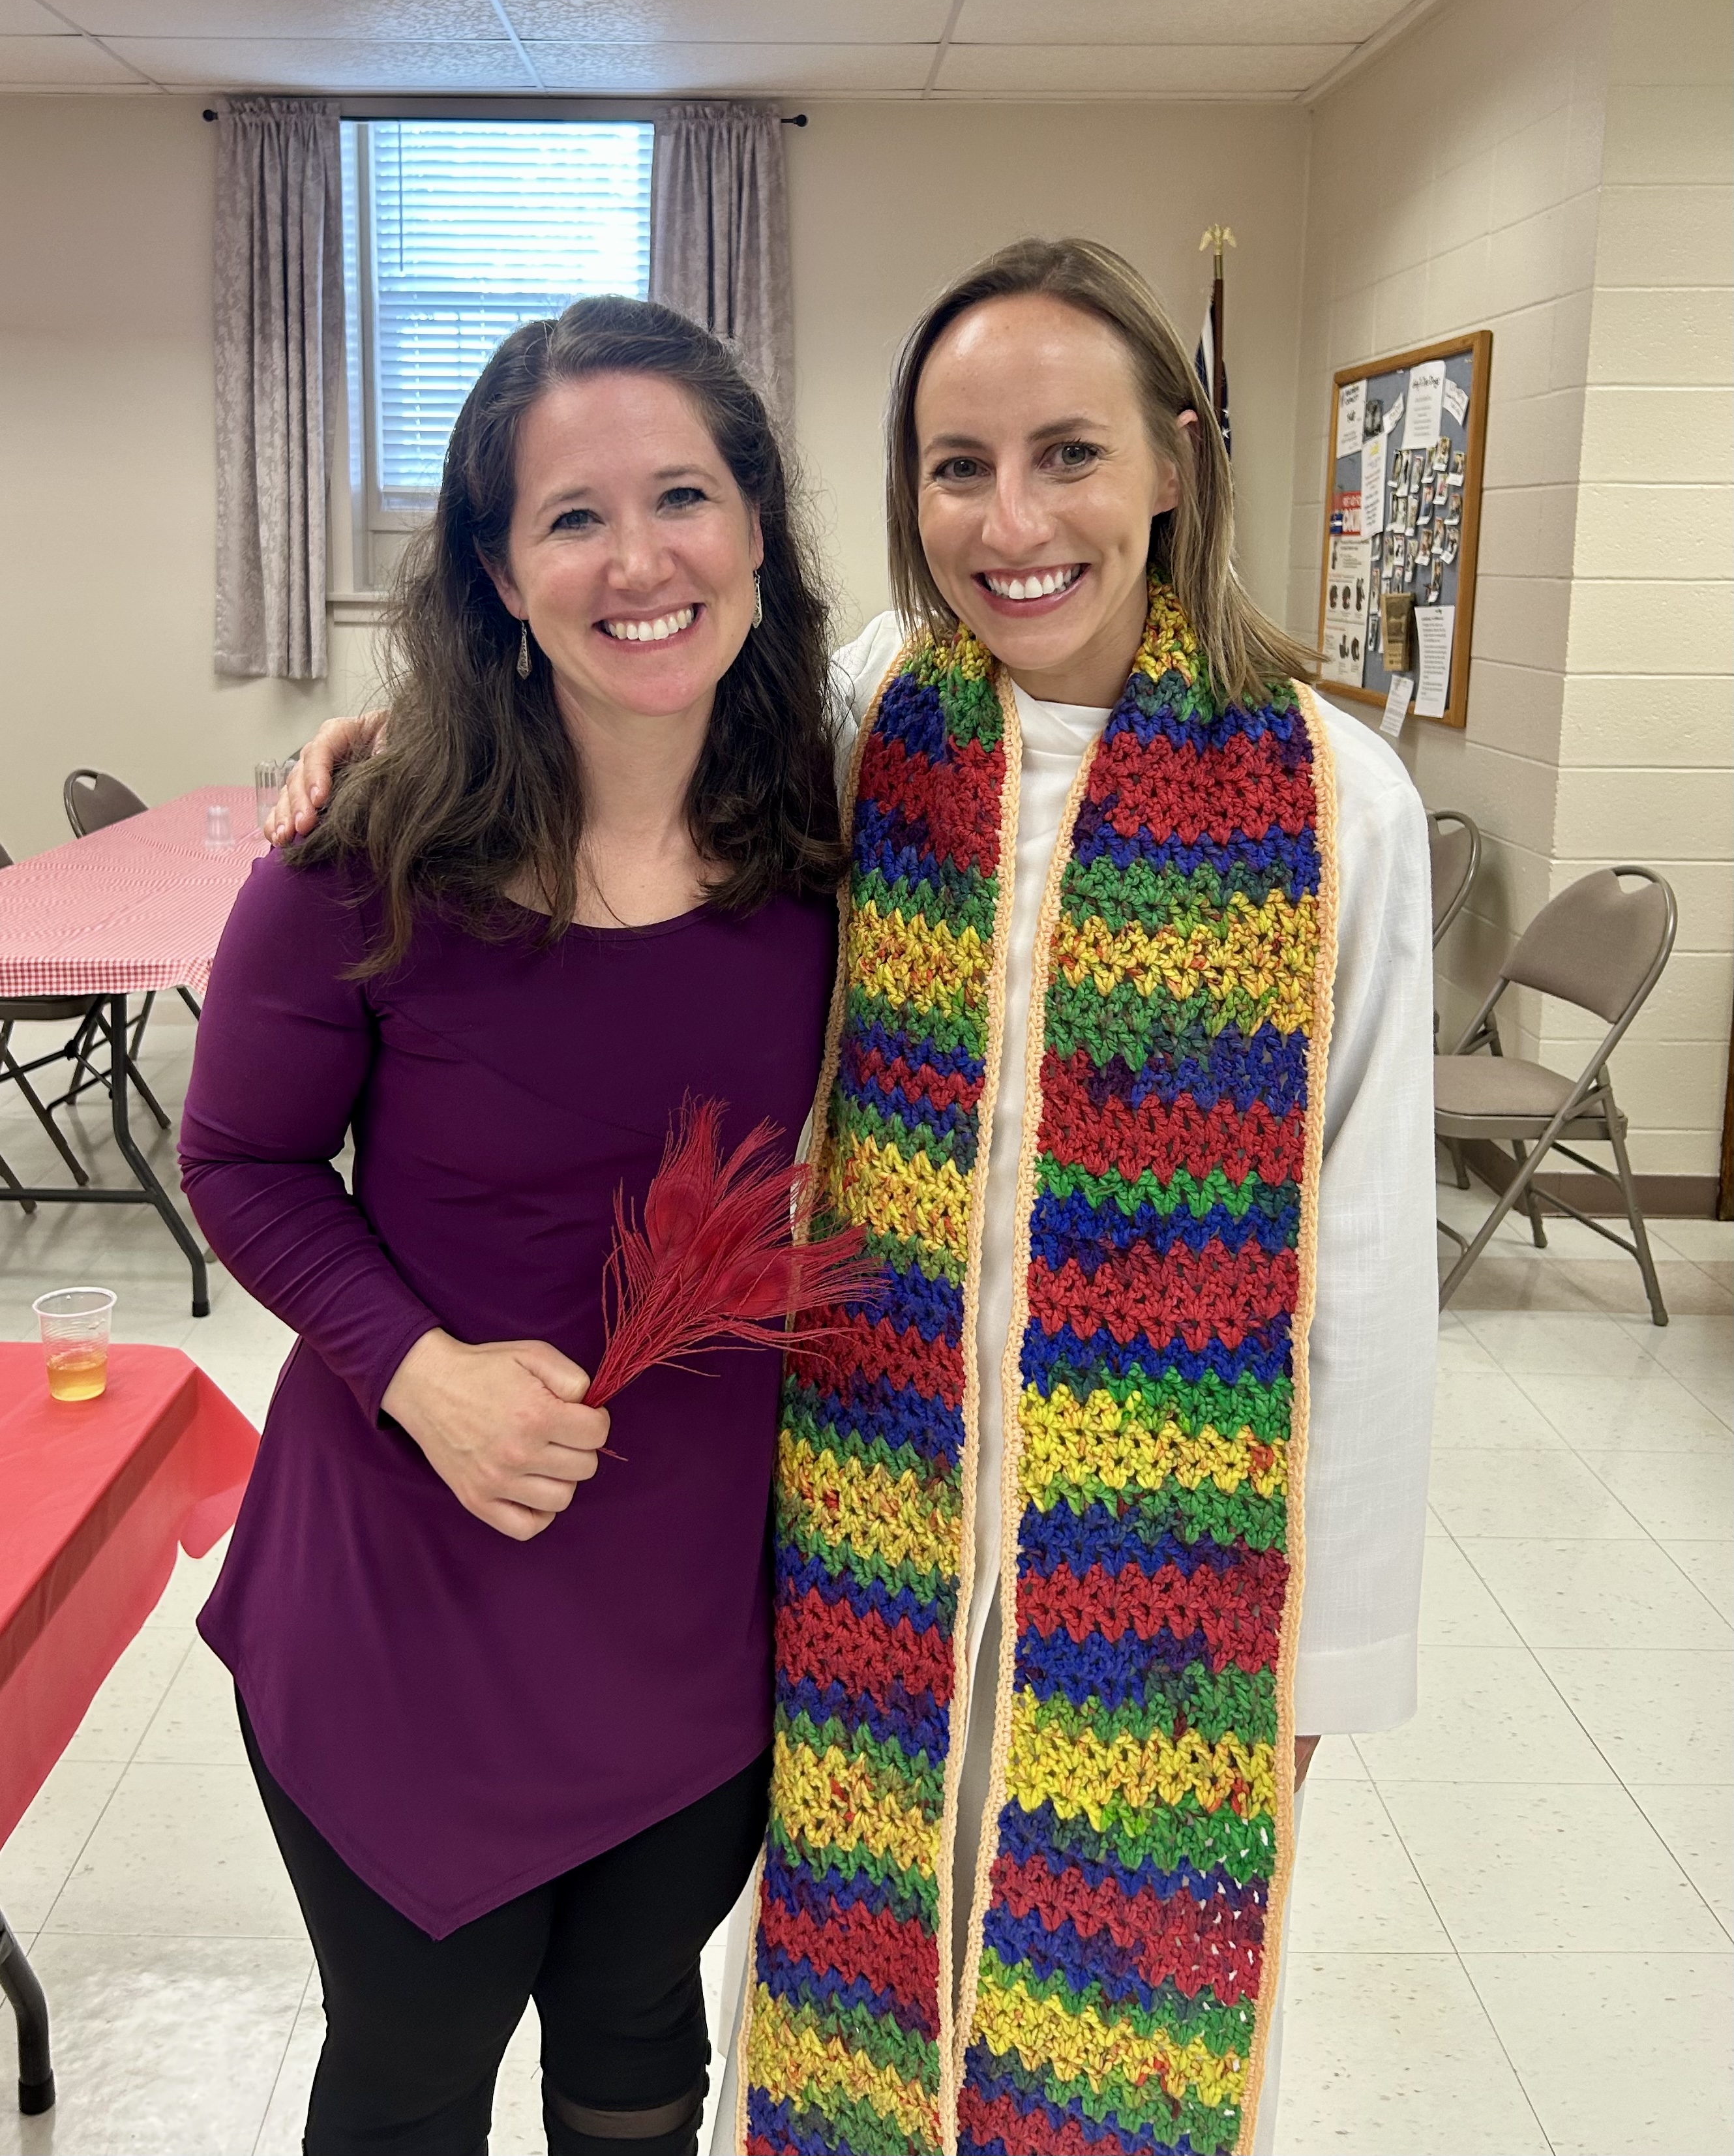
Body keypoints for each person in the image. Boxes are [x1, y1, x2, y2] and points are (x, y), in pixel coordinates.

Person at [278, 238, 1437, 2156]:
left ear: (1172, 459)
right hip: (860, 1511)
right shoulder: (871, 718)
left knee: (1098, 2019)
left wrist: (1311, 1661)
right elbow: (616, 734)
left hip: (1160, 1556)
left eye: (1065, 455)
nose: (1011, 523)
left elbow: (1370, 1266)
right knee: (853, 1999)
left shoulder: (1333, 802)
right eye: (953, 467)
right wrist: (389, 745)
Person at [180, 294, 845, 2156]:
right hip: (412, 1571)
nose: (638, 559)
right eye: (570, 517)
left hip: (693, 1589)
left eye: (683, 497)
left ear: (757, 528)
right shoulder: (365, 859)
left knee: (639, 2027)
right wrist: (421, 1375)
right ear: (495, 567)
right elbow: (238, 1165)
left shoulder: (841, 832)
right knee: (414, 2059)